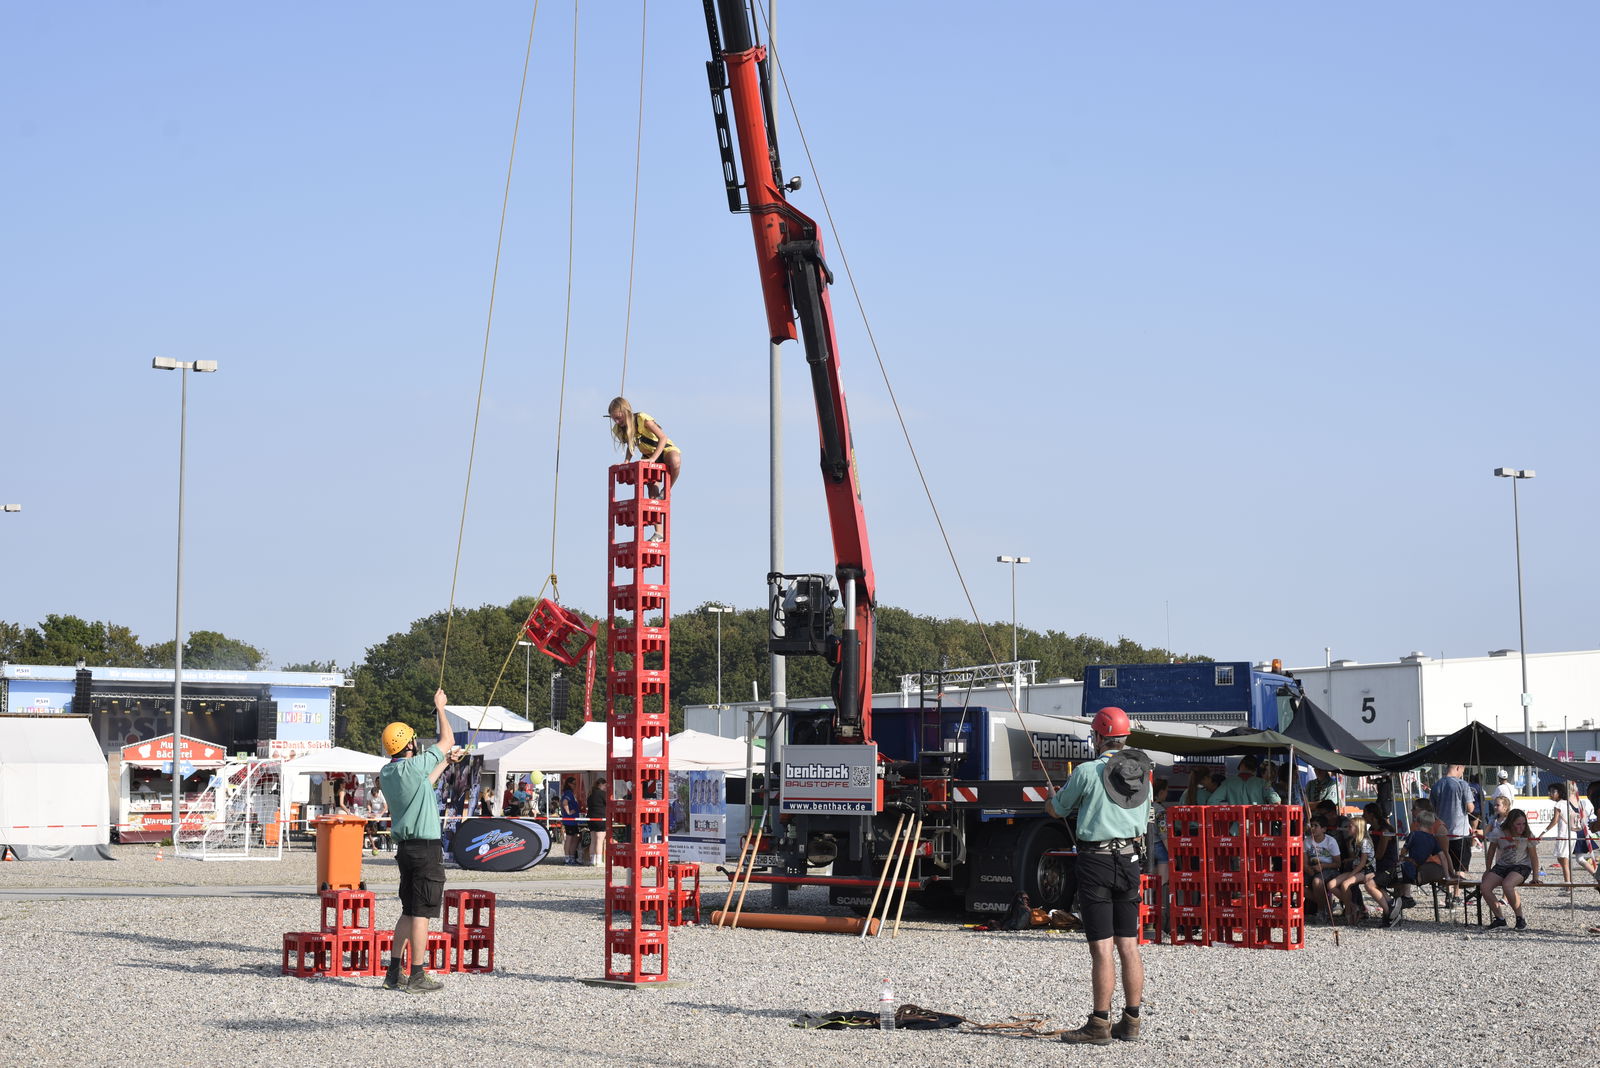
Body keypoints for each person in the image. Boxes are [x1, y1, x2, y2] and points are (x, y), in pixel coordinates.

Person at [1045, 706, 1152, 1045]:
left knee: (1102, 948)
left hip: (1097, 861)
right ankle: (1131, 1020)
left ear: (1099, 736)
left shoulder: (1088, 771)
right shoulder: (1143, 774)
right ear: (1124, 739)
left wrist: (1051, 798)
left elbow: (1058, 809)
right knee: (1129, 945)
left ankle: (1099, 1024)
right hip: (1130, 859)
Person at [376, 689, 465, 992]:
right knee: (422, 913)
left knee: (408, 910)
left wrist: (446, 763)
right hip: (426, 849)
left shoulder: (388, 772)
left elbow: (424, 783)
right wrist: (441, 708)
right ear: (410, 743)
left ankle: (393, 972)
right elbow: (448, 740)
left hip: (405, 850)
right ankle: (416, 974)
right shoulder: (413, 766)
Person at [1481, 807, 1538, 930]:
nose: (1521, 827)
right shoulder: (1499, 832)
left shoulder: (1528, 834)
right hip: (1503, 865)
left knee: (1507, 885)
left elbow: (1534, 857)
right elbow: (1491, 851)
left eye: (1524, 824)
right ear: (1510, 824)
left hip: (1521, 866)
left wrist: (1535, 877)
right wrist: (1487, 869)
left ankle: (1520, 918)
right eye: (1518, 824)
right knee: (1485, 887)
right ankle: (1500, 919)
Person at [608, 397, 681, 486]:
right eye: (614, 419)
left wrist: (653, 459)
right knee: (651, 487)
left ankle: (668, 489)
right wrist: (626, 461)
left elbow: (663, 438)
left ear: (626, 412)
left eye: (618, 418)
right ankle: (655, 496)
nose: (617, 421)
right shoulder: (620, 429)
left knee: (675, 461)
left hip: (665, 449)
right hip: (648, 455)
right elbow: (631, 444)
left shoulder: (641, 419)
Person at [1430, 764, 1473, 880]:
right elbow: (1470, 808)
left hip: (1441, 832)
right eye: (1462, 771)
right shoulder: (1462, 784)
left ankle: (1448, 892)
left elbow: (1432, 810)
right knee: (1460, 868)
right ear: (1458, 768)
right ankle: (1457, 895)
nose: (1462, 774)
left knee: (1446, 865)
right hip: (1460, 833)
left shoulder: (1436, 785)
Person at [1304, 817, 1342, 922]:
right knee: (1297, 885)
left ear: (1324, 829)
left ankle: (1321, 911)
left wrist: (1323, 866)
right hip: (1313, 868)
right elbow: (1304, 862)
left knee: (1317, 882)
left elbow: (1337, 863)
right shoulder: (1306, 841)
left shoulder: (1331, 841)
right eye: (1311, 825)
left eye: (1316, 826)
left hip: (1329, 869)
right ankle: (1326, 906)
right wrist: (1307, 868)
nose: (1312, 828)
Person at [1206, 754, 1282, 806]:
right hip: (1257, 826)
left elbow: (1212, 801)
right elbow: (1276, 801)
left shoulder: (1228, 783)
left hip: (1236, 827)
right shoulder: (1263, 783)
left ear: (1241, 766)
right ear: (1255, 769)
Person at [586, 776, 609, 865]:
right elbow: (608, 804)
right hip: (601, 818)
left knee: (593, 840)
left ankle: (592, 860)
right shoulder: (603, 794)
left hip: (591, 818)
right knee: (600, 840)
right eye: (605, 785)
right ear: (601, 784)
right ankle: (599, 861)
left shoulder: (590, 793)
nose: (606, 787)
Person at [560, 776, 584, 864]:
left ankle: (572, 856)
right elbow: (564, 802)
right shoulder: (568, 793)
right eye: (574, 784)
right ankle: (567, 858)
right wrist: (568, 812)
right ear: (569, 784)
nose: (575, 785)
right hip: (569, 820)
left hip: (573, 820)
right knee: (570, 839)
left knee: (575, 837)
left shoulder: (570, 793)